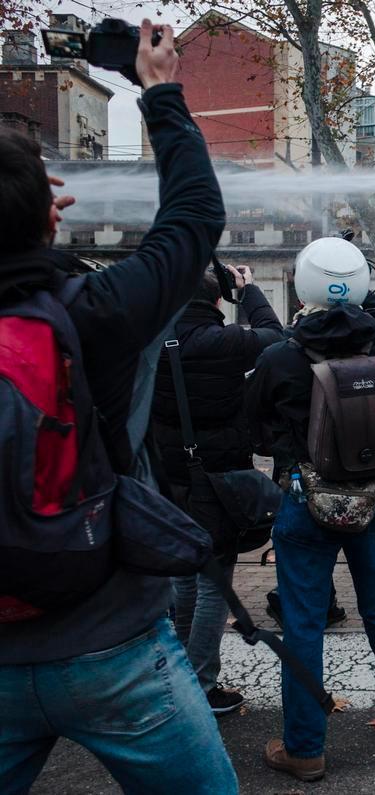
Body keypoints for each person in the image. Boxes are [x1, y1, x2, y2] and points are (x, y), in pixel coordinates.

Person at [0, 22, 239, 791]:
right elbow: (195, 218)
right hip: (110, 643)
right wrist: (160, 93)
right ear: (50, 214)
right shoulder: (96, 312)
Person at [245, 237, 375, 782]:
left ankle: (305, 748)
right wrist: (357, 290)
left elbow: (253, 427)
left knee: (303, 622)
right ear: (362, 285)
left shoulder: (279, 355)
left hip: (305, 500)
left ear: (302, 286)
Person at [150, 263, 283, 715]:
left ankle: (180, 673)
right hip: (216, 474)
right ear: (217, 300)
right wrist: (249, 291)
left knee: (183, 576)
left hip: (170, 476)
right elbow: (273, 335)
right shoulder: (221, 341)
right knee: (213, 583)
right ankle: (202, 686)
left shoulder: (151, 342)